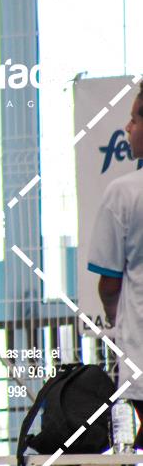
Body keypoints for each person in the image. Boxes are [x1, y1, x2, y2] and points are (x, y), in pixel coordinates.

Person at [87, 80, 143, 444]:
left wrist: (115, 319)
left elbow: (109, 284)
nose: (127, 127)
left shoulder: (124, 193)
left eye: (135, 118)